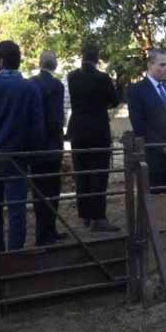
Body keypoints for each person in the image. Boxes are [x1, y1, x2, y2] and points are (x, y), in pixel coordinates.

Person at [0, 40, 45, 251]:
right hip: (17, 158)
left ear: (1, 61)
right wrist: (34, 156)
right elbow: (37, 127)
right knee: (16, 210)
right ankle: (15, 255)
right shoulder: (29, 88)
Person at [67, 41, 121, 232]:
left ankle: (86, 215)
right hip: (98, 130)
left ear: (81, 55)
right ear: (97, 58)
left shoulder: (71, 76)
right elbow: (114, 101)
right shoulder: (102, 78)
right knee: (98, 173)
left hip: (77, 130)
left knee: (81, 173)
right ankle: (98, 217)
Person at [128, 48, 166, 192]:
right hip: (153, 159)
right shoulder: (137, 90)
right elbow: (139, 125)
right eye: (162, 65)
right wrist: (163, 147)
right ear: (150, 65)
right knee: (156, 201)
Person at [30, 50, 66, 245]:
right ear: (55, 65)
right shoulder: (57, 85)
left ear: (39, 63)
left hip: (35, 147)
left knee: (38, 192)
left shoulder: (30, 83)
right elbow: (56, 119)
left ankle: (43, 232)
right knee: (52, 191)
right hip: (51, 146)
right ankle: (48, 232)